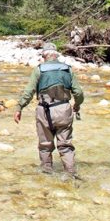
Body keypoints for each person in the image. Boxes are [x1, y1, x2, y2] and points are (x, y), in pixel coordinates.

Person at [13, 43, 84, 175]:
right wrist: (77, 105)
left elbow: (29, 92)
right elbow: (78, 93)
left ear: (44, 56)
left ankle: (47, 174)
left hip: (44, 112)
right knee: (65, 146)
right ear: (56, 55)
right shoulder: (67, 69)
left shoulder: (39, 69)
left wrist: (19, 107)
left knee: (45, 145)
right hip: (64, 110)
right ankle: (71, 174)